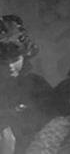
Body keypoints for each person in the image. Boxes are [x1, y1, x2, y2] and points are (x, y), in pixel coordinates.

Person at [0, 15, 54, 154]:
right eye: (3, 62)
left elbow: (53, 127)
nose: (10, 66)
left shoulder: (37, 85)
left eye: (15, 59)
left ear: (25, 55)